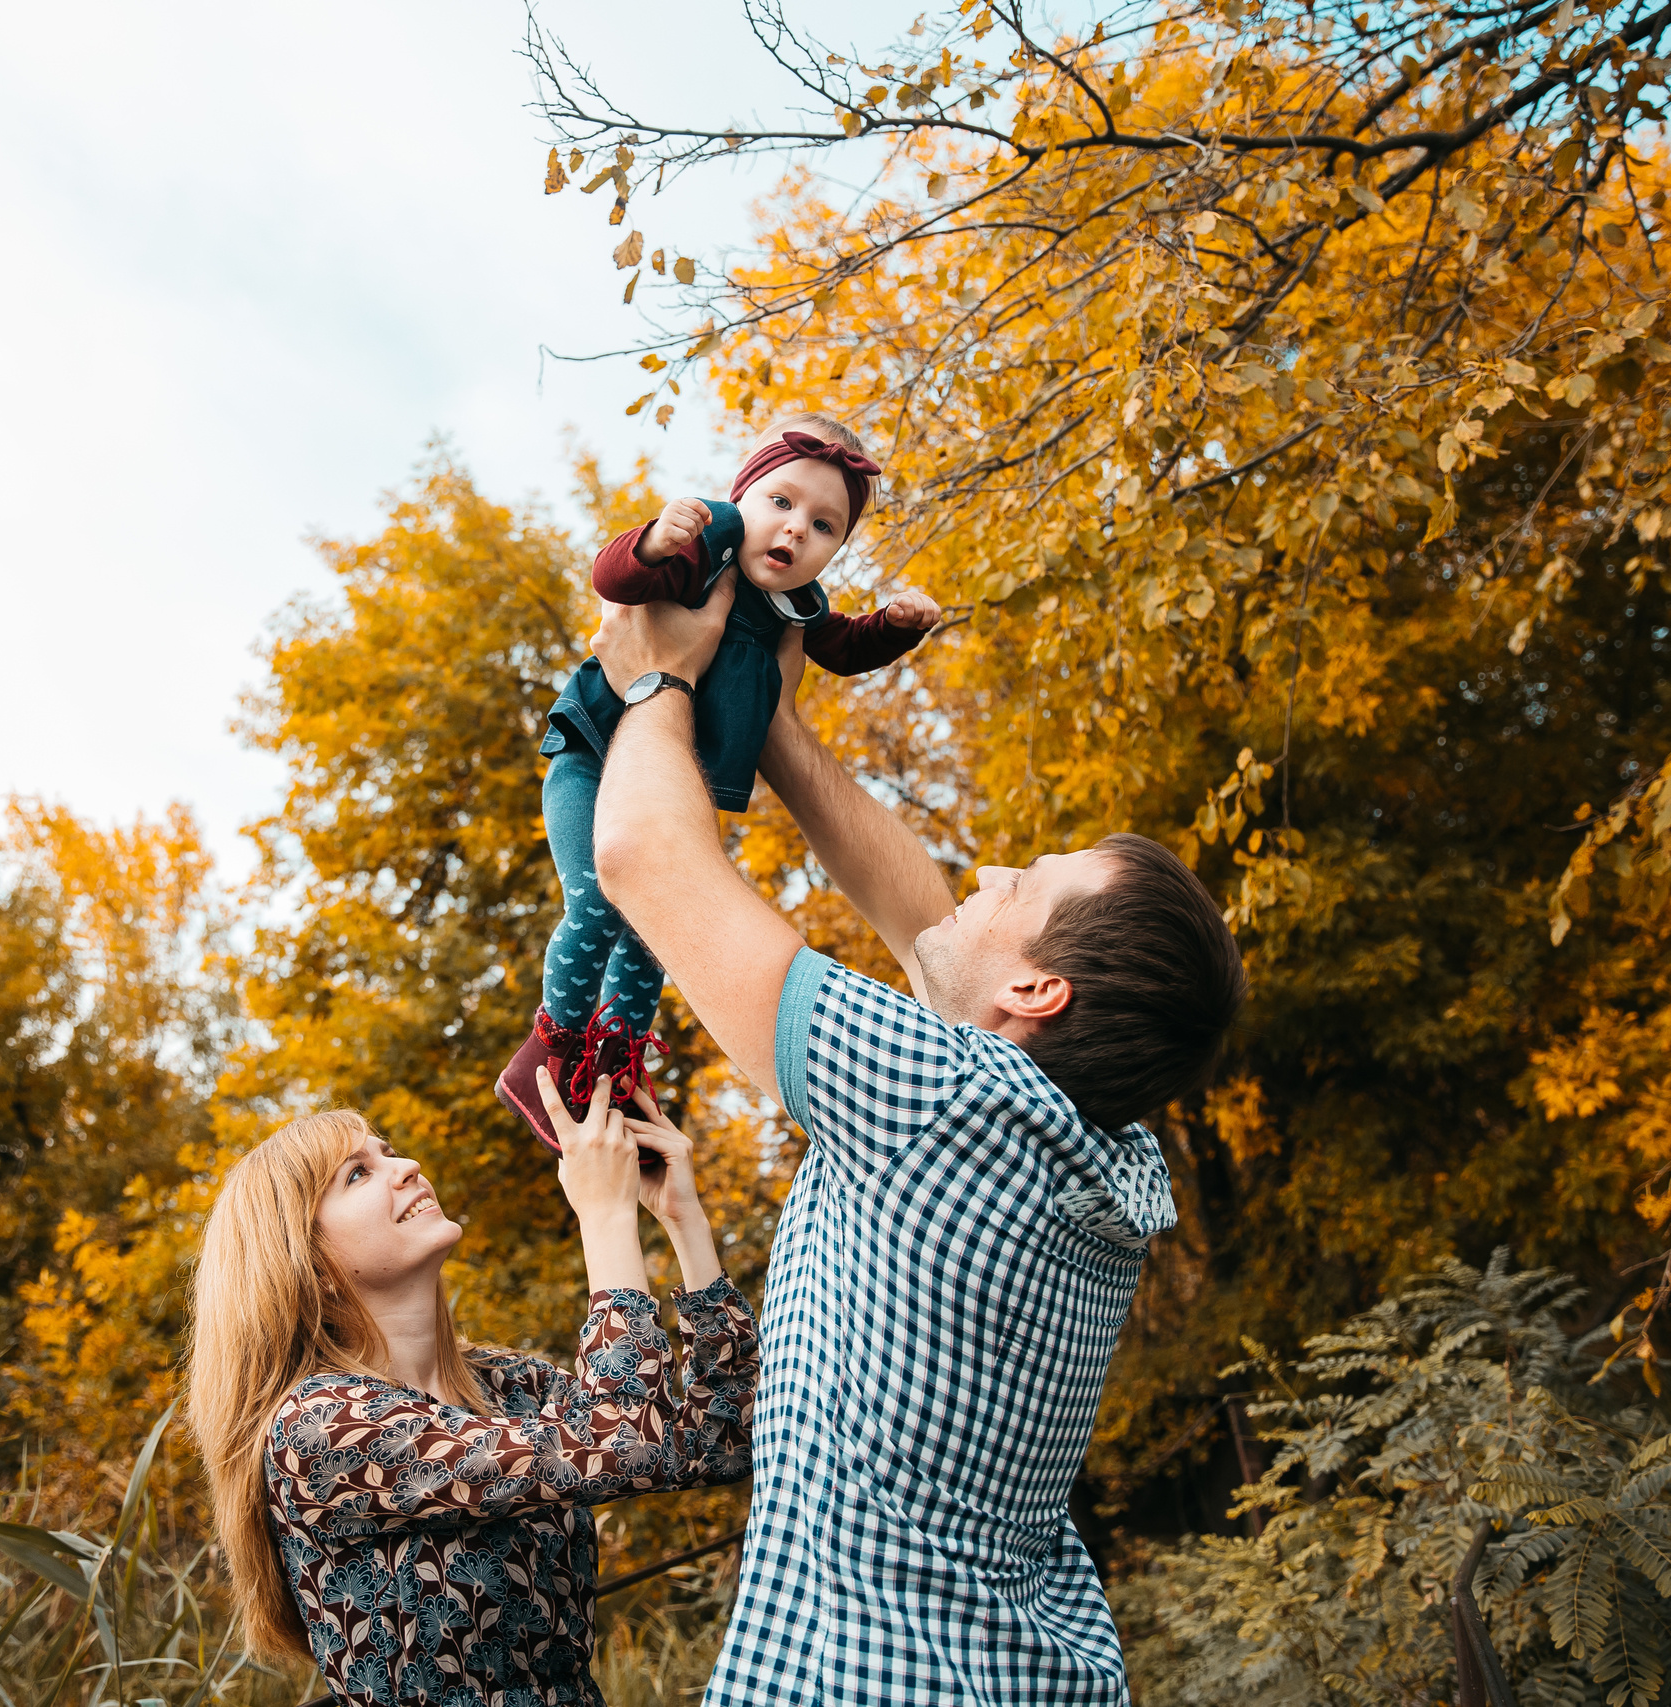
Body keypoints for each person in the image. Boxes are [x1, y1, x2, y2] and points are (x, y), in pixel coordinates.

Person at [582, 575, 1248, 1704]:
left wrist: (655, 675)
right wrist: (776, 710)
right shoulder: (1101, 1155)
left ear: (1038, 988)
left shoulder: (942, 1099)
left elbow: (645, 854)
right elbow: (935, 930)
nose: (986, 876)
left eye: (1024, 883)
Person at [188, 1071, 757, 1707]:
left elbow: (718, 1441)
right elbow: (626, 1438)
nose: (406, 1166)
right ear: (309, 1265)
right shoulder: (321, 1428)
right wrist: (604, 1216)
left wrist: (685, 1224)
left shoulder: (501, 1381)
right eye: (357, 1173)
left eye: (388, 1151)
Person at [495, 413, 942, 1152]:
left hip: (667, 790)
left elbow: (845, 648)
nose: (796, 530)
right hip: (594, 757)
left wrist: (894, 624)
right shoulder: (707, 548)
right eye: (782, 502)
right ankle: (550, 1051)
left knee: (652, 931)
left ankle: (614, 1071)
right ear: (746, 492)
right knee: (602, 898)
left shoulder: (801, 606)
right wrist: (652, 542)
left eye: (825, 525)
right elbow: (612, 577)